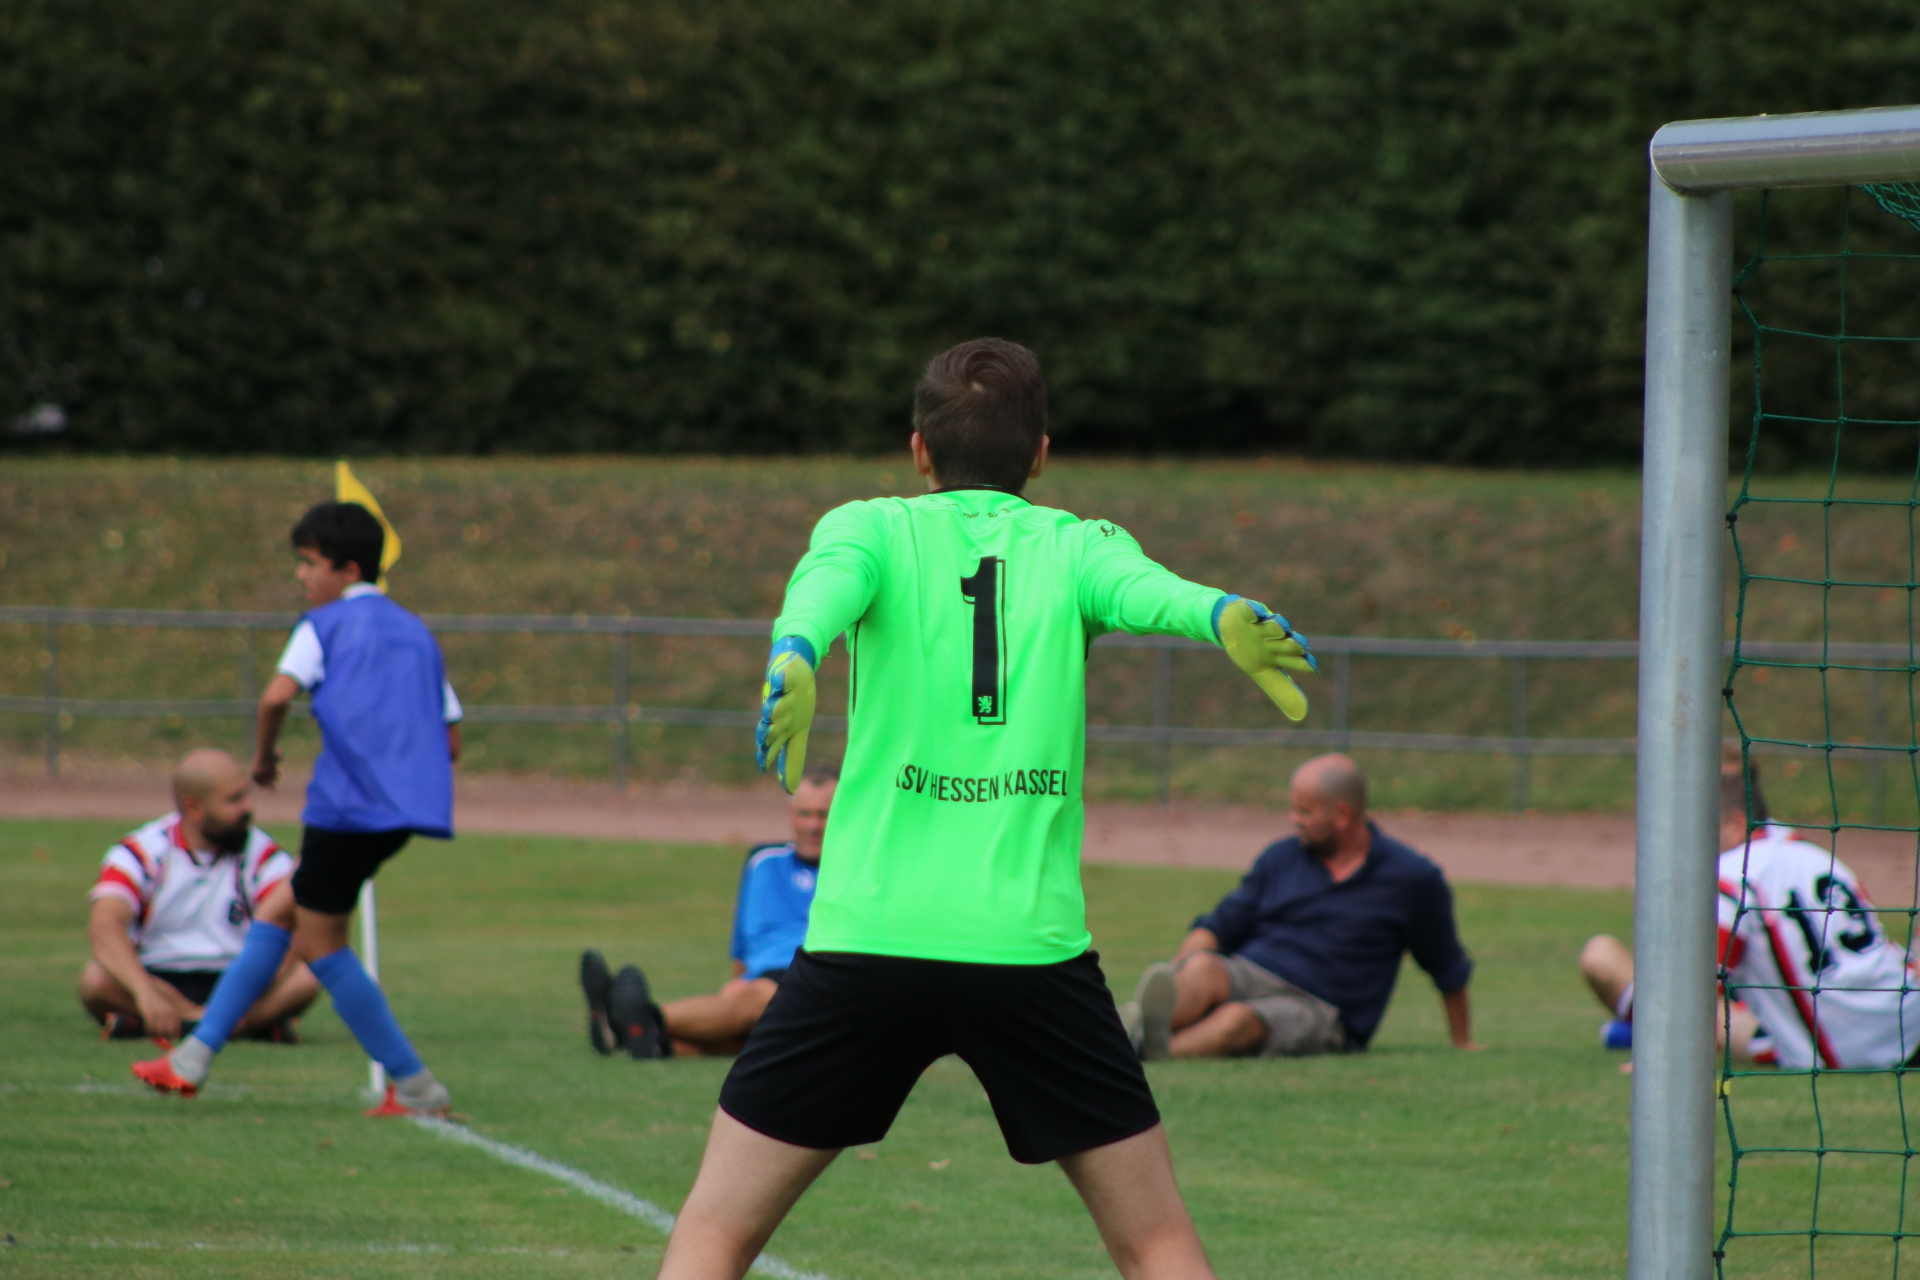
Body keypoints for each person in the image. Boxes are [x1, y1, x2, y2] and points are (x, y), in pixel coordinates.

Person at [657, 337, 1319, 1280]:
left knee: (713, 1235)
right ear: (1040, 454)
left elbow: (825, 585)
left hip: (869, 941)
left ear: (918, 450)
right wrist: (1214, 612)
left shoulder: (871, 527)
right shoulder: (1078, 546)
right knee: (1157, 1244)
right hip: (1028, 952)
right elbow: (1150, 593)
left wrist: (797, 647)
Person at [134, 500, 462, 1114]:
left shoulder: (324, 625)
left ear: (348, 569)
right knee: (280, 908)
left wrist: (263, 760)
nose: (301, 575)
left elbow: (275, 696)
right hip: (402, 816)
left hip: (344, 813)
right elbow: (450, 742)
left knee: (321, 945)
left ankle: (417, 1085)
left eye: (310, 563)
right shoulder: (417, 633)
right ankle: (192, 1058)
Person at [1581, 748, 1920, 1070]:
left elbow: (1691, 990)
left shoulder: (1731, 875)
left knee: (1601, 956)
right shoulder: (1812, 853)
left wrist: (1660, 1060)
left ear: (1734, 822)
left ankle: (1634, 1031)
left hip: (1845, 1050)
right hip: (1909, 1015)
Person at [1125, 754, 1478, 1061]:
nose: (1294, 819)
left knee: (1237, 1020)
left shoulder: (1412, 878)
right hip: (1252, 971)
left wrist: (1462, 1041)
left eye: (1304, 811)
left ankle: (1143, 1052)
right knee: (1202, 967)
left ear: (1341, 815)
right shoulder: (1281, 857)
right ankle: (1127, 1033)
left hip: (1320, 1007)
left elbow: (1446, 965)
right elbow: (1219, 925)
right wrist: (1177, 972)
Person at [581, 765, 837, 1059]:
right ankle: (648, 1040)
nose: (813, 825)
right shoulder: (763, 861)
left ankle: (630, 1020)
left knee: (760, 1004)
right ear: (790, 814)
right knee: (747, 1016)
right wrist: (735, 992)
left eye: (824, 815)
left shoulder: (861, 871)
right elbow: (743, 948)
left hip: (818, 979)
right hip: (763, 983)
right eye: (804, 814)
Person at [81, 748, 318, 1043]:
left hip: (240, 980)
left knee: (306, 978)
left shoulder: (263, 855)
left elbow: (293, 930)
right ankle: (242, 1026)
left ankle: (164, 1024)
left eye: (246, 796)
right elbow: (104, 925)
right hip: (159, 978)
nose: (248, 807)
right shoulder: (139, 853)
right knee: (95, 981)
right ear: (193, 807)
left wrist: (240, 997)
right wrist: (145, 992)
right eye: (234, 800)